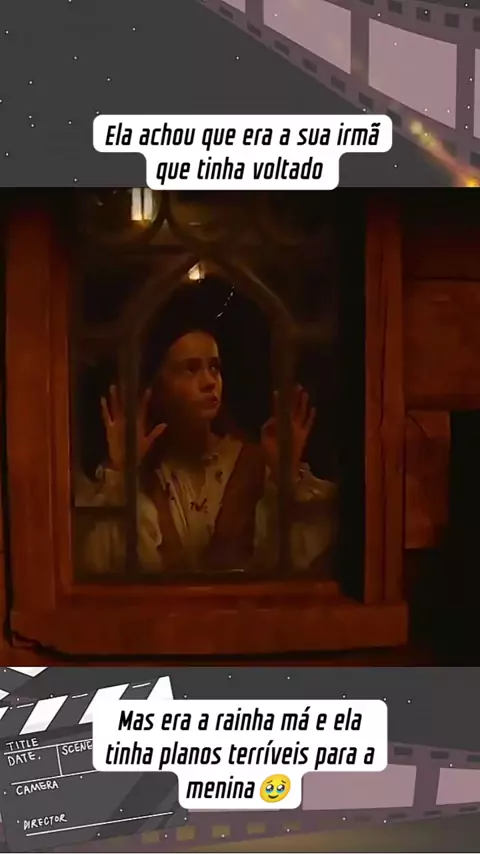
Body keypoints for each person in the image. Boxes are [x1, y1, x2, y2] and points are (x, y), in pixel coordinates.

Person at [75, 290, 338, 576]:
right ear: (157, 387)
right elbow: (97, 560)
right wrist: (121, 471)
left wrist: (286, 475)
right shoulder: (143, 471)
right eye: (190, 369)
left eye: (215, 368)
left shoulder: (254, 462)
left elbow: (304, 558)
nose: (210, 382)